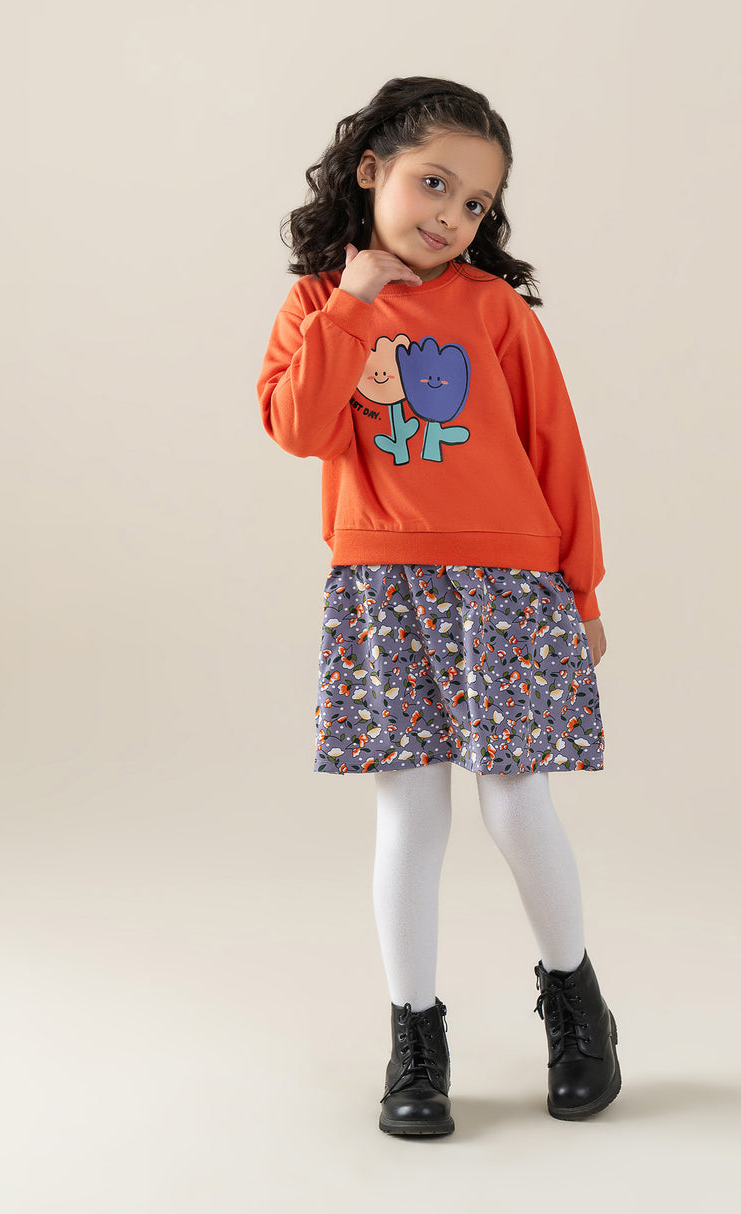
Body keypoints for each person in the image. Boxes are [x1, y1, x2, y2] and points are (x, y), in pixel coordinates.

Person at [256, 76, 621, 1136]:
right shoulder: (317, 307)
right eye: (433, 184)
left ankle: (577, 1005)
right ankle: (415, 1037)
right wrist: (353, 302)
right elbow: (298, 428)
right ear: (371, 170)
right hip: (383, 584)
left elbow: (557, 449)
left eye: (474, 203)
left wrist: (583, 587)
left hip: (509, 584)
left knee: (515, 802)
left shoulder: (495, 310)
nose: (452, 214)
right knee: (410, 815)